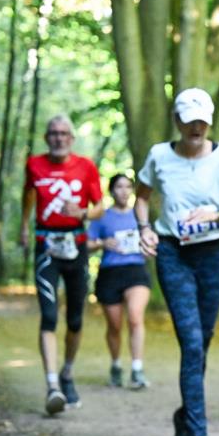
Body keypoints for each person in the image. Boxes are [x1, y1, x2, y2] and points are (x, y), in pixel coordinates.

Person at [136, 88, 219, 436]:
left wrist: (216, 214)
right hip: (173, 255)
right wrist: (144, 228)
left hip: (213, 256)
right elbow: (141, 197)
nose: (196, 128)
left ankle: (184, 419)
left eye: (202, 121)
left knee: (202, 343)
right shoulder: (159, 155)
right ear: (177, 121)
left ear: (210, 121)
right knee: (191, 343)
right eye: (189, 121)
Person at [20, 115, 104, 415]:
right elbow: (28, 194)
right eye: (53, 133)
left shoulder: (86, 167)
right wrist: (24, 225)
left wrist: (82, 213)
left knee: (75, 319)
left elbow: (100, 207)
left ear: (71, 138)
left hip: (76, 246)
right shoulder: (34, 164)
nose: (58, 138)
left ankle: (67, 372)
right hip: (46, 246)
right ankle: (52, 385)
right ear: (47, 138)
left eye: (64, 133)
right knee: (49, 315)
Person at [87, 174, 152, 390]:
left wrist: (149, 247)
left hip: (136, 270)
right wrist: (102, 243)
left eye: (128, 187)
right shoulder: (102, 217)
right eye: (119, 187)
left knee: (135, 316)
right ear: (112, 191)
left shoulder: (140, 215)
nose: (124, 191)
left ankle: (137, 369)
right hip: (110, 272)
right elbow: (86, 245)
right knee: (114, 326)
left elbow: (153, 241)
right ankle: (116, 365)